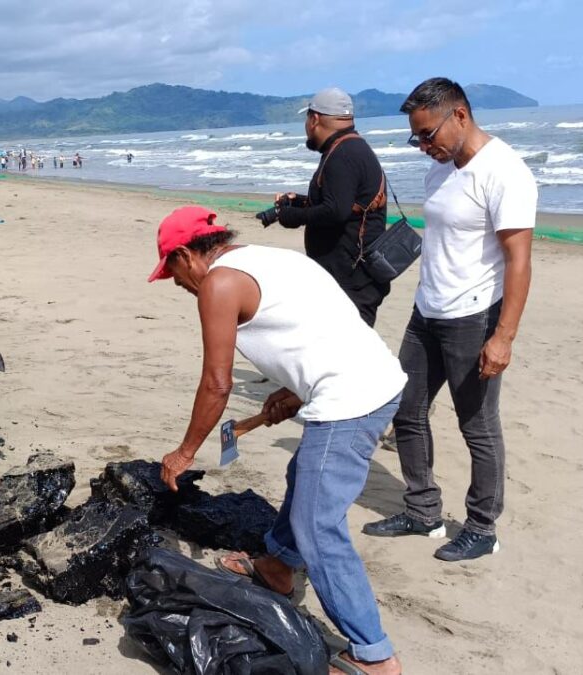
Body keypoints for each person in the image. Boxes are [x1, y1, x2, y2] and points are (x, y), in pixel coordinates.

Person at [151, 206, 406, 675]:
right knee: (304, 472)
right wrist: (296, 388)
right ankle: (277, 567)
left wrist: (184, 451)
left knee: (318, 527)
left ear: (186, 255)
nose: (175, 282)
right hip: (372, 379)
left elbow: (217, 383)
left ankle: (374, 655)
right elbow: (325, 326)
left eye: (171, 270)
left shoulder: (218, 284)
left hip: (351, 400)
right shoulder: (272, 258)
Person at [363, 78, 536, 562]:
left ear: (459, 115)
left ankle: (482, 528)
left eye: (427, 134)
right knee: (406, 409)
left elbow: (519, 260)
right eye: (415, 137)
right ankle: (423, 511)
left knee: (477, 426)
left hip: (475, 316)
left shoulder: (505, 172)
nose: (422, 146)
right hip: (427, 311)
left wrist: (504, 336)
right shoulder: (440, 170)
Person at [272, 87, 391, 327]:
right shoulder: (351, 147)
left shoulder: (343, 153)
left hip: (352, 279)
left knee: (346, 354)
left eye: (306, 119)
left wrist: (291, 216)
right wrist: (301, 202)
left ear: (314, 119)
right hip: (353, 275)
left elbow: (336, 211)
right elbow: (342, 202)